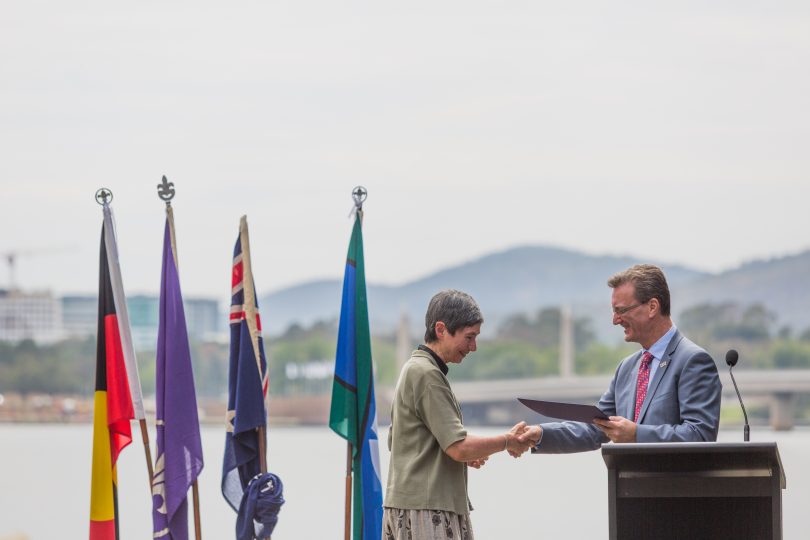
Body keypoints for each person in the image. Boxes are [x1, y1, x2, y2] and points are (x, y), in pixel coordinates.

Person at [519, 264, 722, 452]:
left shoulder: (693, 361)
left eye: (621, 310)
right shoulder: (627, 368)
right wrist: (540, 434)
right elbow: (596, 428)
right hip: (628, 489)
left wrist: (637, 434)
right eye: (613, 311)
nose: (615, 320)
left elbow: (700, 436)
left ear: (652, 307)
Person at [383, 289, 534, 540]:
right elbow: (458, 447)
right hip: (427, 510)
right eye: (469, 337)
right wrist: (508, 441)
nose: (473, 347)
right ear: (441, 330)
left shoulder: (414, 368)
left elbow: (404, 442)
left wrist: (458, 456)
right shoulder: (427, 375)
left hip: (409, 506)